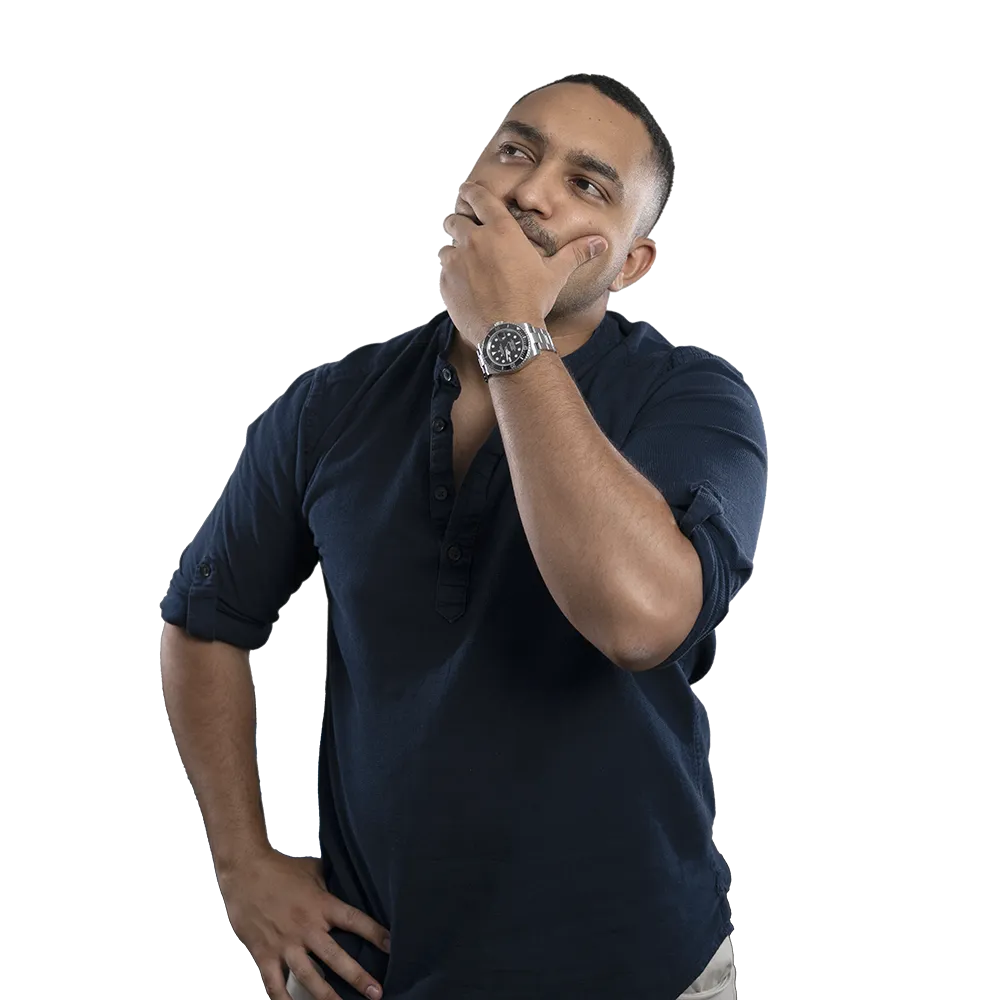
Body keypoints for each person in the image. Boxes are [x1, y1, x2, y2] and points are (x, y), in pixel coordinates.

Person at [160, 71, 765, 1000]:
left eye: (586, 184)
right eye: (516, 151)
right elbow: (204, 622)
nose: (532, 192)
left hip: (642, 970)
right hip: (378, 971)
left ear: (630, 264)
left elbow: (641, 620)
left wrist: (509, 333)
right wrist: (243, 864)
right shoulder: (330, 403)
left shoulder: (692, 398)